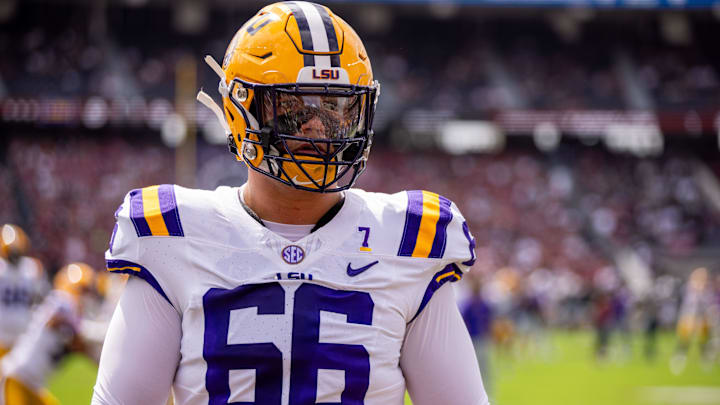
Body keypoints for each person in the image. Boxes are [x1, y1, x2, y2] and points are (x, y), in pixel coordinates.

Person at [92, 2, 488, 404]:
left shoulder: (408, 242)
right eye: (294, 110)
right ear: (240, 110)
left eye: (335, 110)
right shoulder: (173, 236)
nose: (317, 129)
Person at [0, 262, 103, 405]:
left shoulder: (68, 315)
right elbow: (62, 324)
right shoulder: (62, 302)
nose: (88, 298)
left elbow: (81, 346)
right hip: (18, 379)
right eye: (85, 290)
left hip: (32, 385)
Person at [0, 224, 48, 360]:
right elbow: (39, 299)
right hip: (19, 329)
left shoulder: (31, 268)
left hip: (10, 330)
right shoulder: (32, 267)